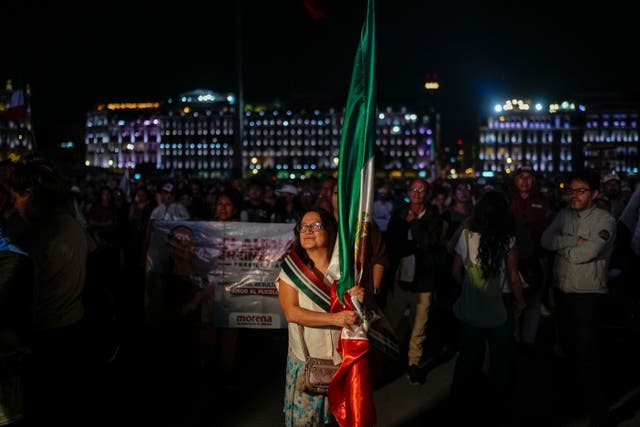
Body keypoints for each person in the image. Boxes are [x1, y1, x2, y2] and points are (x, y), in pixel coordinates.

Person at [8, 159, 91, 425]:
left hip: (45, 336)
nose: (14, 205)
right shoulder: (72, 226)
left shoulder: (37, 236)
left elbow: (19, 291)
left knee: (43, 406)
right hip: (73, 326)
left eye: (16, 197)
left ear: (30, 194)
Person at [541, 168, 616, 427]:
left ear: (594, 194)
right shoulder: (564, 214)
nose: (574, 195)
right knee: (567, 352)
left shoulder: (605, 220)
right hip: (563, 292)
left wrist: (565, 248)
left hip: (588, 296)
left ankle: (599, 414)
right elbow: (545, 240)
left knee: (588, 356)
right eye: (572, 190)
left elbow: (589, 253)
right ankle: (573, 406)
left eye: (581, 191)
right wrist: (574, 240)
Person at [276, 208, 364, 427]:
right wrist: (335, 319)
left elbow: (360, 314)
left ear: (330, 231)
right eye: (303, 227)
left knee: (339, 420)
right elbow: (292, 312)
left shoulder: (345, 271)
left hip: (342, 359)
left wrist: (361, 298)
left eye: (315, 226)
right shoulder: (292, 270)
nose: (308, 231)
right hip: (307, 361)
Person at [449, 190, 526, 425]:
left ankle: (460, 405)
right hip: (500, 304)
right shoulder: (508, 239)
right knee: (501, 359)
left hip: (471, 306)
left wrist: (469, 291)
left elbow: (455, 272)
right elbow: (513, 277)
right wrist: (521, 301)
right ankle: (499, 407)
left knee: (468, 357)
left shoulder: (466, 236)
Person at [384, 178, 442, 385]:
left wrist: (415, 223)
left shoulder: (433, 216)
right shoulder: (399, 214)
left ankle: (413, 364)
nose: (417, 193)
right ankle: (389, 359)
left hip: (423, 281)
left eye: (421, 190)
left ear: (427, 194)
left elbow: (429, 243)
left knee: (419, 326)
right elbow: (391, 244)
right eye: (413, 189)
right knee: (392, 322)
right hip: (400, 279)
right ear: (408, 191)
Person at [508, 164, 550, 350]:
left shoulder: (543, 200)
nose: (525, 181)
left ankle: (529, 341)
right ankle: (513, 339)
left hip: (536, 256)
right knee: (512, 299)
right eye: (521, 177)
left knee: (534, 300)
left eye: (528, 177)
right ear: (515, 180)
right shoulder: (508, 199)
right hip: (512, 257)